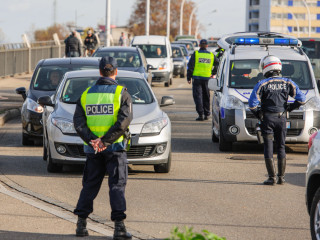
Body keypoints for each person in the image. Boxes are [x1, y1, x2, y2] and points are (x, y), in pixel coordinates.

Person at [73, 56, 133, 239]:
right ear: (116, 71)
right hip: (114, 148)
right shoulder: (122, 93)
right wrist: (105, 141)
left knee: (90, 185)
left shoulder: (86, 94)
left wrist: (93, 141)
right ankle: (119, 228)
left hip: (93, 150)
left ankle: (81, 225)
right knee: (116, 185)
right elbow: (124, 121)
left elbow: (78, 122)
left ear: (100, 71)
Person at [249, 55, 306, 185]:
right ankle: (281, 177)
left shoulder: (262, 84)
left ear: (266, 68)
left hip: (267, 119)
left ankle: (271, 178)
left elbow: (252, 104)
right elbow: (301, 99)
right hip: (282, 119)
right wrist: (289, 108)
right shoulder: (288, 82)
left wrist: (259, 114)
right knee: (281, 146)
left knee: (268, 146)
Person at [187, 39, 219, 121]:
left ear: (200, 45)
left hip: (197, 78)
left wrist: (188, 77)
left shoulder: (196, 54)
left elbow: (190, 66)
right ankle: (207, 113)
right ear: (207, 46)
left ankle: (201, 114)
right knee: (206, 96)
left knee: (198, 96)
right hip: (207, 79)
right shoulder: (211, 55)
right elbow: (218, 64)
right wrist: (213, 72)